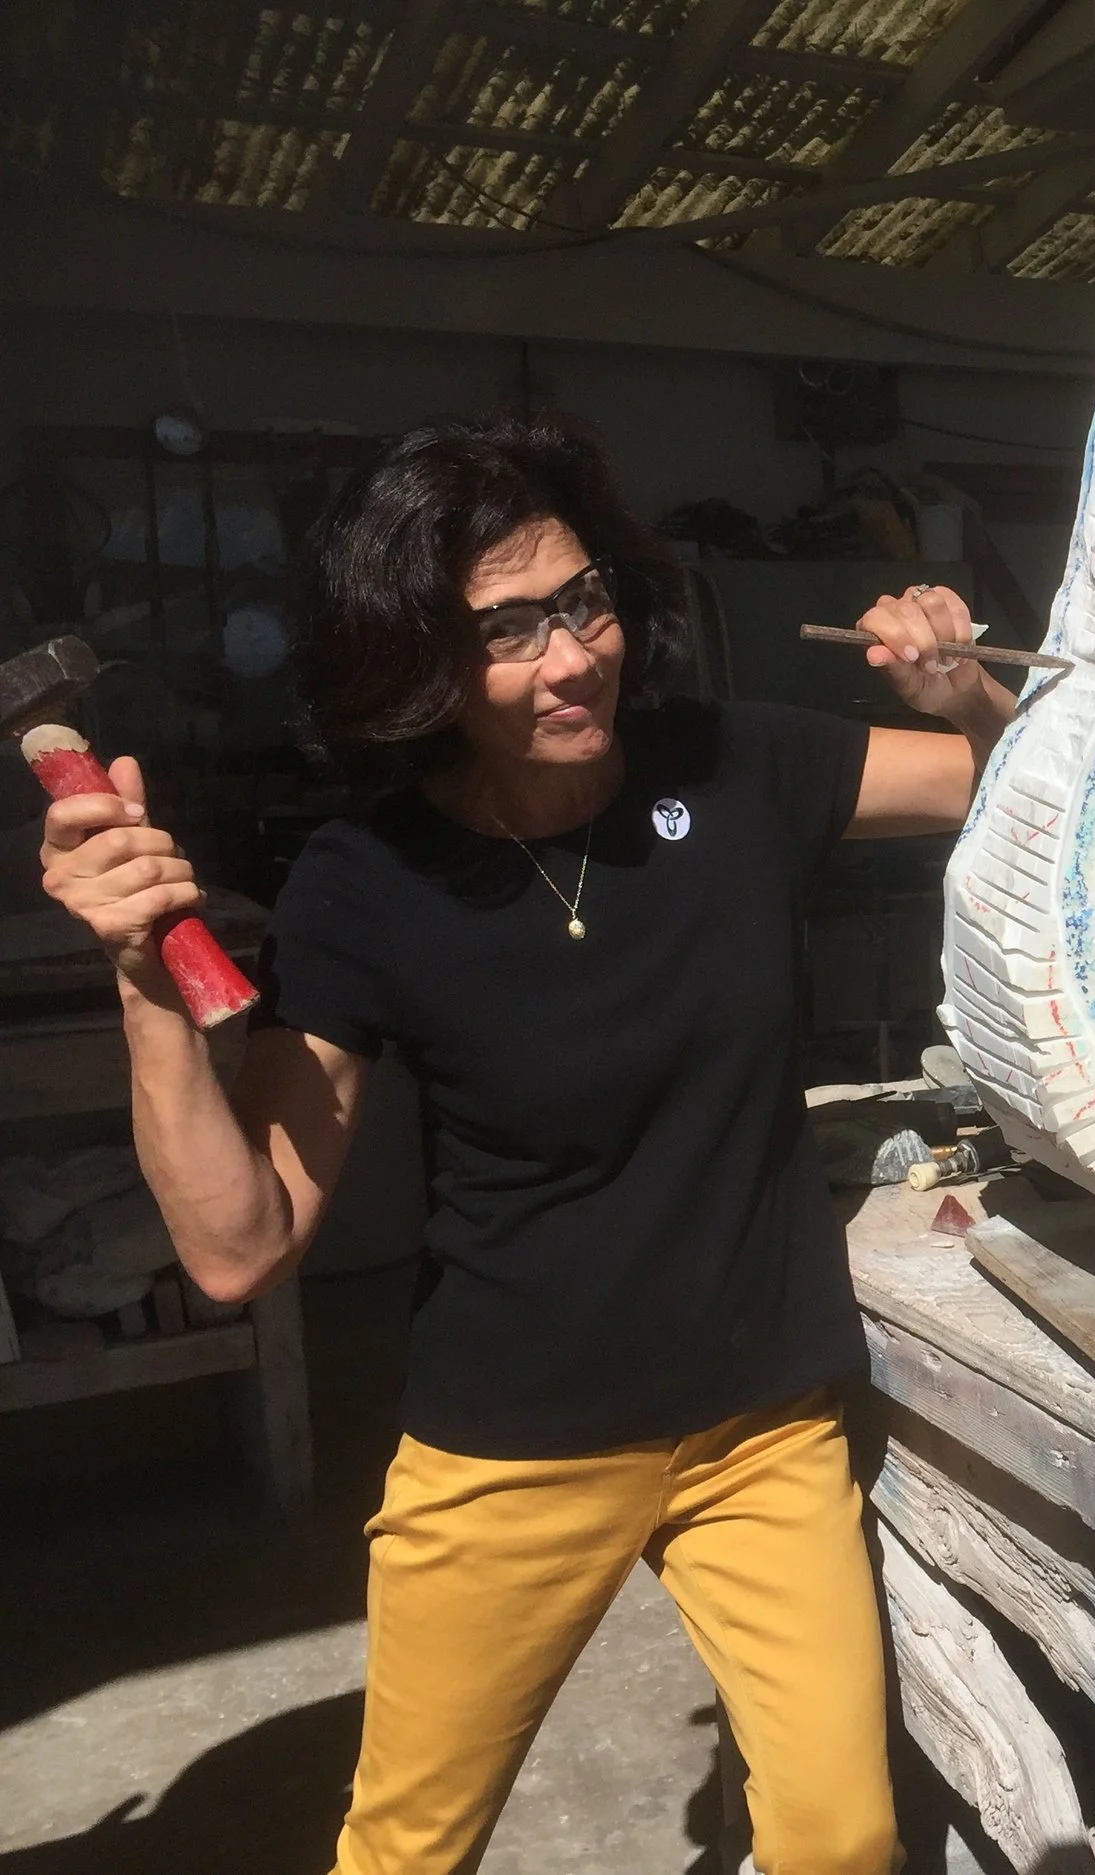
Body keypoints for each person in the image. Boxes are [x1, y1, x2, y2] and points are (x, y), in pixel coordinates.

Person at [36, 413, 1020, 1875]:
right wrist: (139, 984)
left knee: (842, 1838)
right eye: (504, 631)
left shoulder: (740, 765)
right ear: (418, 666)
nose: (571, 659)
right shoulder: (364, 885)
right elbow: (240, 1247)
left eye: (583, 602)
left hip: (761, 1420)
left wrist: (971, 690)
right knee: (406, 1851)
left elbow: (1016, 789)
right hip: (511, 1447)